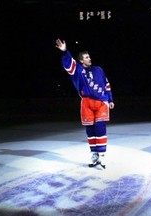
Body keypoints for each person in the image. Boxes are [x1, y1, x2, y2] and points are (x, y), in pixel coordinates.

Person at [55, 39, 114, 169]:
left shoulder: (99, 70)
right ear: (81, 60)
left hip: (101, 102)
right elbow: (68, 64)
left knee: (100, 128)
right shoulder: (78, 70)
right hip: (86, 102)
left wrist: (110, 99)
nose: (89, 58)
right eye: (87, 57)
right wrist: (65, 52)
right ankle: (94, 155)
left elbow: (107, 85)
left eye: (89, 57)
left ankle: (102, 156)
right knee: (90, 130)